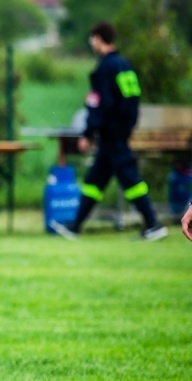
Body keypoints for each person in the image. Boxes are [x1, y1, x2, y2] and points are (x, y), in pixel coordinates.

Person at [50, 22, 167, 241]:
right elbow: (131, 100)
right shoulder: (124, 64)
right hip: (121, 131)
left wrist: (87, 133)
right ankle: (75, 226)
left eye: (92, 39)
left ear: (97, 38)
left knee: (130, 179)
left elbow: (100, 103)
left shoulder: (106, 67)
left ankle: (154, 224)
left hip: (112, 134)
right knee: (95, 180)